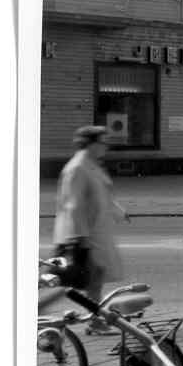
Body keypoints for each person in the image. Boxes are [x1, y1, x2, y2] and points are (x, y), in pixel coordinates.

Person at [50, 126, 126, 300]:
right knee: (82, 279)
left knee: (94, 278)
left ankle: (94, 314)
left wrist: (119, 212)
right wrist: (81, 238)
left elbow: (102, 195)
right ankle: (36, 307)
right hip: (84, 237)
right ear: (90, 144)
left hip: (95, 233)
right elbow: (73, 205)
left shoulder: (92, 165)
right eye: (103, 142)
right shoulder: (77, 168)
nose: (106, 146)